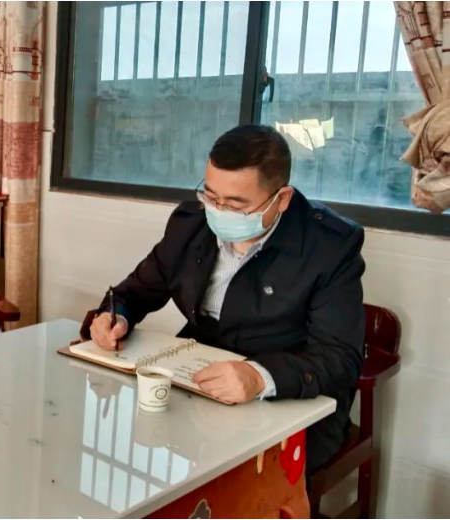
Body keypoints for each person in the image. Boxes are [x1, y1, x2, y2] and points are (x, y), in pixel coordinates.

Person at [90, 125, 364, 475]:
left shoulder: (328, 246)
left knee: (244, 483)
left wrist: (259, 377)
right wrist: (115, 316)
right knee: (138, 446)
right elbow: (134, 291)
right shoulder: (191, 224)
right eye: (211, 196)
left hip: (288, 396)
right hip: (197, 381)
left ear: (282, 199)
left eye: (236, 205)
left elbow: (340, 357)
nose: (218, 211)